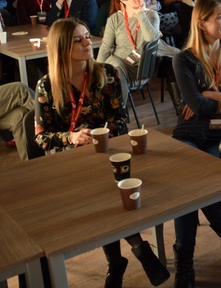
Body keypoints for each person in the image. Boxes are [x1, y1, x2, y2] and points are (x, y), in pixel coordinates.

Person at [35, 19, 170, 287]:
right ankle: (137, 247)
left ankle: (119, 261)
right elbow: (41, 137)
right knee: (101, 187)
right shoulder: (46, 86)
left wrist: (103, 135)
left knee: (105, 182)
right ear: (62, 47)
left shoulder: (108, 74)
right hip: (68, 160)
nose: (88, 42)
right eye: (79, 40)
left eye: (87, 36)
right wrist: (70, 137)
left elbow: (121, 119)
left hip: (107, 152)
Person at [170, 0, 221, 288]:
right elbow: (198, 109)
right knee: (190, 186)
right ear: (201, 24)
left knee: (195, 190)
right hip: (189, 134)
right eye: (220, 18)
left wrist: (210, 95)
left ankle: (184, 269)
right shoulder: (183, 58)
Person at [97, 0, 160, 84]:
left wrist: (140, 13)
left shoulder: (151, 15)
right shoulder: (114, 19)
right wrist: (96, 70)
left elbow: (151, 38)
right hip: (117, 63)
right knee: (110, 66)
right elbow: (105, 48)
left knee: (114, 67)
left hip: (139, 68)